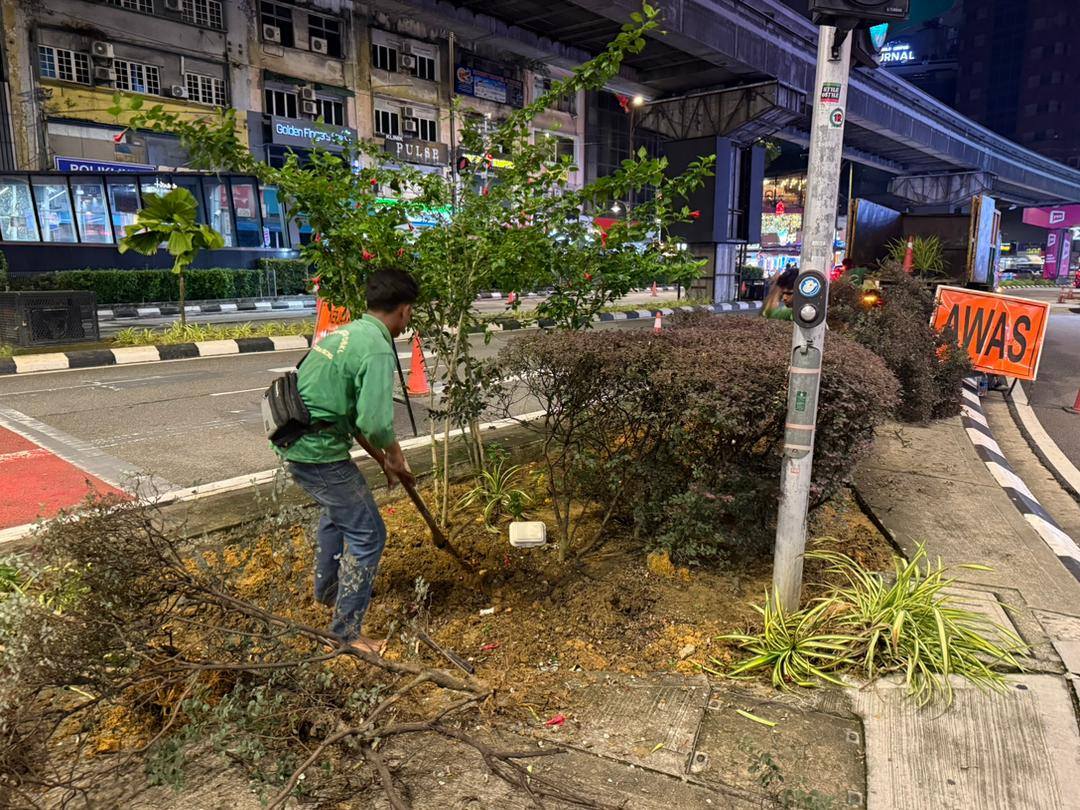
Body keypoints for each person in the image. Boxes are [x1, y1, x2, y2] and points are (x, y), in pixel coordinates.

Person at [279, 268, 417, 655]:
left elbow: (353, 417)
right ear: (405, 310)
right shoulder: (377, 348)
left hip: (296, 438)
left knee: (337, 515)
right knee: (369, 535)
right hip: (317, 452)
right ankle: (346, 635)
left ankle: (329, 591)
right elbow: (375, 423)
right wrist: (395, 456)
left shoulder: (349, 333)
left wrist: (386, 460)